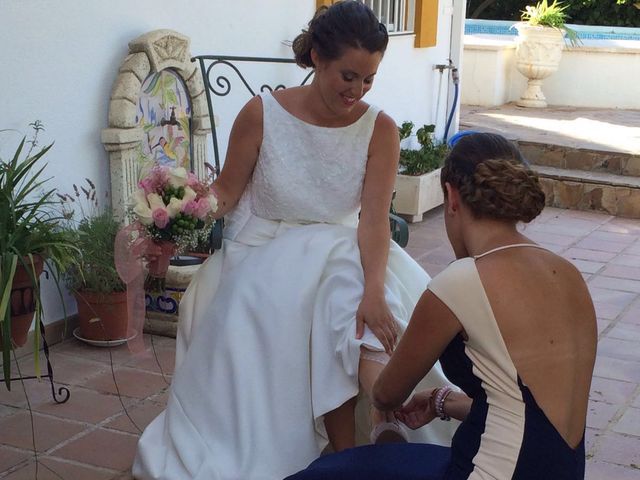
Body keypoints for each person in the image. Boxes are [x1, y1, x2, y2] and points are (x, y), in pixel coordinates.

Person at [132, 2, 455, 479]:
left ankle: (368, 436)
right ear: (318, 58)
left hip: (343, 248)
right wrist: (180, 208)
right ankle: (371, 429)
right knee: (335, 280)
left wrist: (374, 293)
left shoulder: (380, 128)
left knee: (349, 286)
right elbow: (225, 193)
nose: (358, 90)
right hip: (264, 248)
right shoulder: (261, 114)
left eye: (368, 79)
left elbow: (371, 222)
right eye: (348, 75)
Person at [287, 132, 597, 480]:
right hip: (562, 472)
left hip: (492, 473)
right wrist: (440, 400)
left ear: (450, 197)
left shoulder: (463, 280)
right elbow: (534, 413)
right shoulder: (569, 273)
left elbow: (388, 395)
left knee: (316, 474)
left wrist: (361, 353)